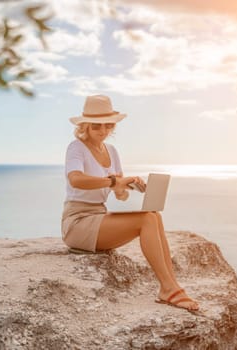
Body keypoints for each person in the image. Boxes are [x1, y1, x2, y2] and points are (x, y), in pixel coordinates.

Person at [61, 95, 199, 312]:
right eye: (97, 126)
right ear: (85, 125)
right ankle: (168, 288)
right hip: (78, 222)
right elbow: (76, 179)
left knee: (153, 215)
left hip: (99, 215)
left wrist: (130, 186)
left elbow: (119, 195)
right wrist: (116, 180)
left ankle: (171, 286)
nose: (104, 130)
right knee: (146, 220)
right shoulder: (76, 148)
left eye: (109, 125)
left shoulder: (112, 152)